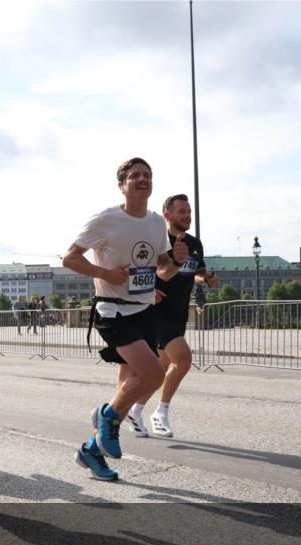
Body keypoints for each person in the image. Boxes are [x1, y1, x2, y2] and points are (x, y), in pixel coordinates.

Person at [62, 157, 188, 481]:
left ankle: (91, 451)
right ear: (122, 184)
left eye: (147, 175)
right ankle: (106, 415)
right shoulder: (106, 219)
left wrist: (174, 261)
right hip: (113, 310)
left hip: (144, 311)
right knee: (154, 374)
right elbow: (70, 258)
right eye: (135, 176)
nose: (142, 179)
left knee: (129, 386)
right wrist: (106, 273)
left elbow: (161, 269)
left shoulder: (157, 223)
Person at [126, 194, 220, 439]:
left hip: (179, 313)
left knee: (159, 370)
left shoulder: (195, 244)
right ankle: (161, 413)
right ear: (168, 215)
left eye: (189, 212)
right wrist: (148, 289)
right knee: (183, 359)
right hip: (157, 312)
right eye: (182, 212)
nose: (187, 216)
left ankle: (135, 410)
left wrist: (206, 279)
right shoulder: (157, 241)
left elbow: (197, 271)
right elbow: (142, 271)